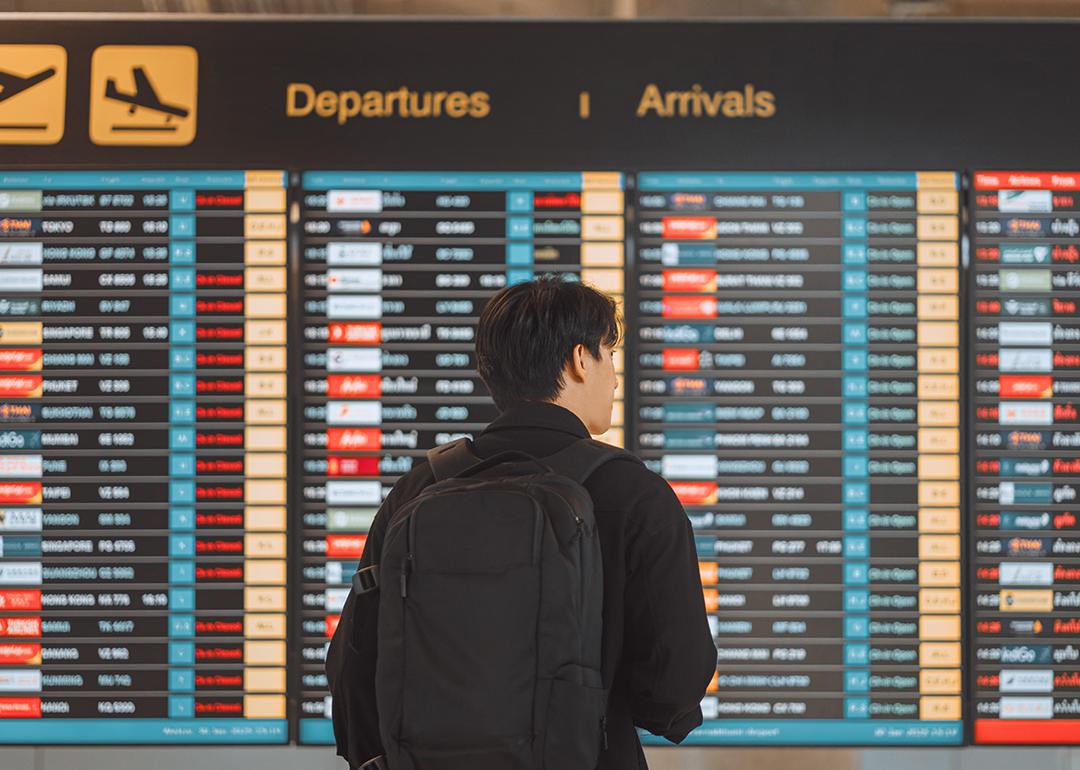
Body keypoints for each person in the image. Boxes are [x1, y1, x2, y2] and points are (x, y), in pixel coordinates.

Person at [330, 275, 717, 769]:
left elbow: (352, 671)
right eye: (609, 356)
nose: (615, 378)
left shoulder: (419, 488)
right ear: (580, 360)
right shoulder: (635, 494)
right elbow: (674, 689)